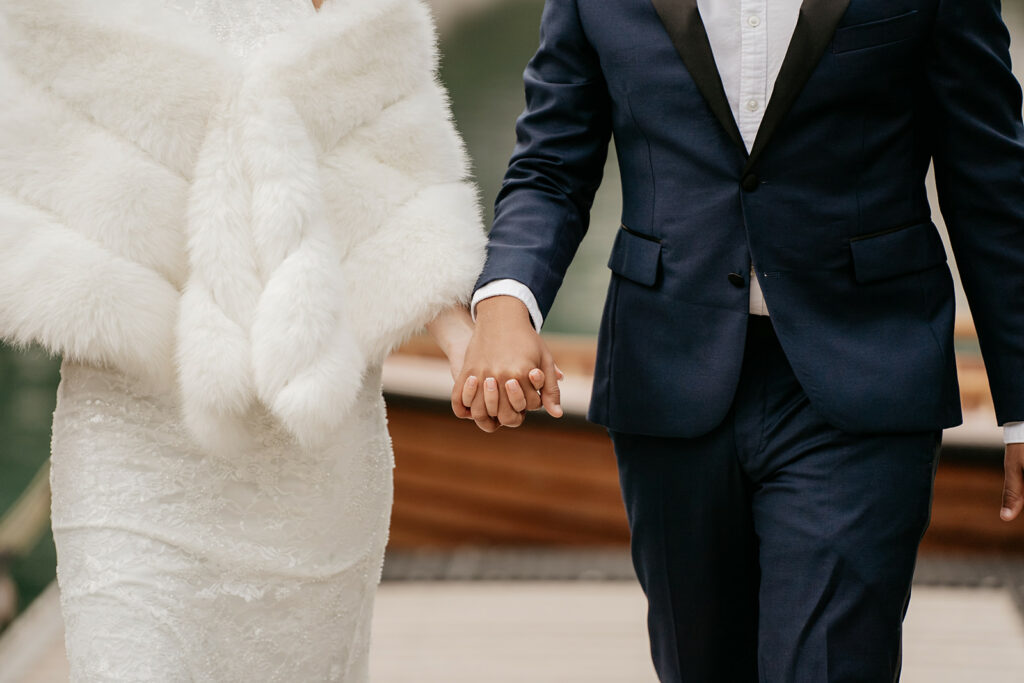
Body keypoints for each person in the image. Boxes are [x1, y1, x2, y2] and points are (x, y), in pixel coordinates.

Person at [455, 0, 1024, 680]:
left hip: (866, 367)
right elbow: (551, 164)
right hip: (667, 376)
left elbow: (991, 180)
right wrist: (505, 303)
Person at [0, 0, 490, 679]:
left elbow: (403, 183)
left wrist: (469, 339)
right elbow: (26, 175)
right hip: (133, 454)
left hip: (316, 470)